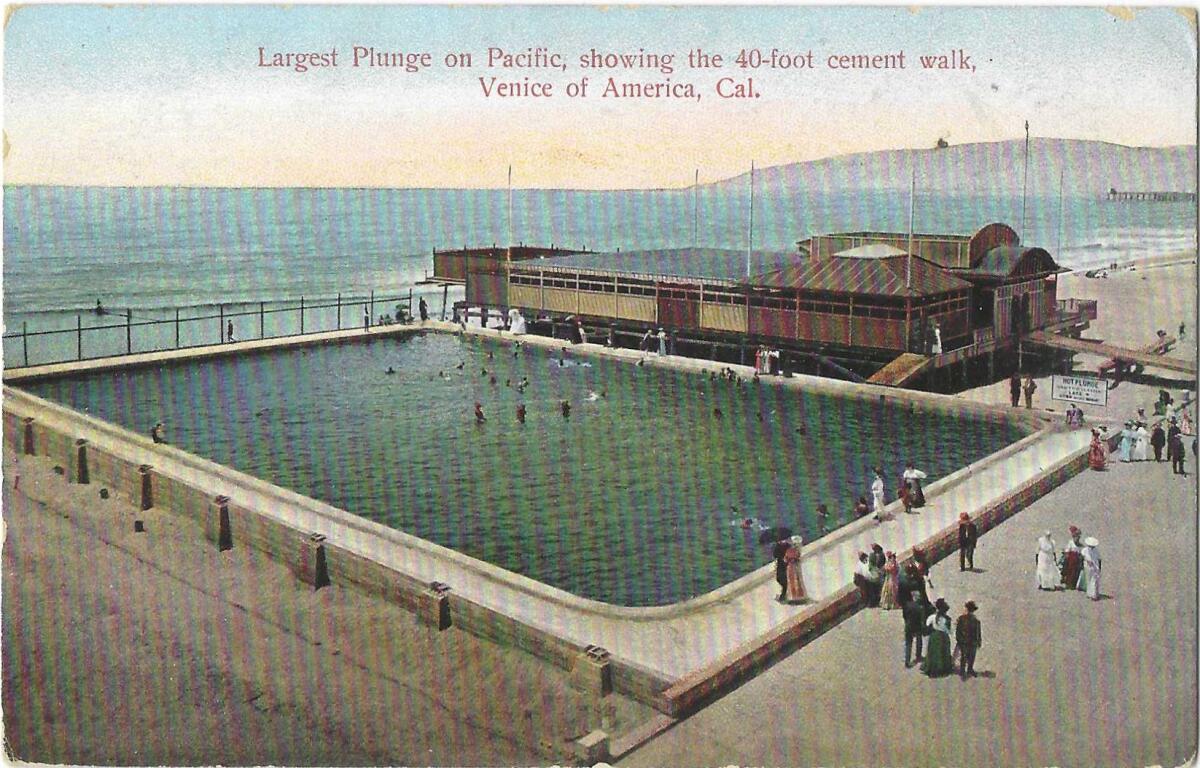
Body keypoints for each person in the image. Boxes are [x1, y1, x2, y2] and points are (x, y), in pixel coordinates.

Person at [922, 598, 954, 677]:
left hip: (934, 636)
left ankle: (931, 668)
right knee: (943, 652)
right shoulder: (947, 619)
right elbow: (950, 631)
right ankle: (943, 668)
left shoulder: (932, 617)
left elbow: (927, 626)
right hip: (944, 637)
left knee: (933, 653)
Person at [902, 592, 932, 668]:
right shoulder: (921, 607)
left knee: (908, 643)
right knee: (919, 641)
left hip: (909, 626)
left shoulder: (907, 605)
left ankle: (907, 660)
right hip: (917, 626)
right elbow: (922, 618)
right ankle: (918, 655)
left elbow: (904, 616)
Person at [955, 602, 982, 679]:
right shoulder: (975, 620)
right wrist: (979, 641)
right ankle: (968, 669)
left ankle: (963, 670)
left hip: (964, 640)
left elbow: (958, 630)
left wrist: (958, 639)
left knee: (964, 655)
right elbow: (978, 632)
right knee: (971, 656)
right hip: (971, 641)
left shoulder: (962, 618)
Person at [784, 535, 808, 604]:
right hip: (792, 567)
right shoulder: (793, 551)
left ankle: (796, 596)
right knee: (795, 580)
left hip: (792, 567)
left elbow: (787, 559)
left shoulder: (790, 551)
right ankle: (796, 596)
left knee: (795, 580)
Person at [1061, 526, 1085, 590]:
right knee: (1069, 571)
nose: (1077, 539)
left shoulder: (1080, 545)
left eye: (1078, 537)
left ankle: (1073, 584)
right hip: (1070, 559)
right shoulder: (1071, 543)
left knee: (1075, 572)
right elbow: (1067, 550)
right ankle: (1068, 583)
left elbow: (1081, 553)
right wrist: (1066, 555)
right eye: (1076, 537)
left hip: (1076, 560)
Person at [1082, 537, 1102, 601]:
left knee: (1094, 580)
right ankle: (1090, 593)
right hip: (1088, 567)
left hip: (1094, 567)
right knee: (1089, 580)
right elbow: (1083, 556)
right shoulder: (1085, 550)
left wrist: (1099, 567)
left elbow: (1099, 559)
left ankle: (1093, 594)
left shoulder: (1095, 550)